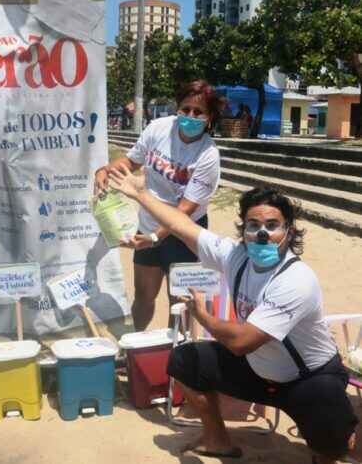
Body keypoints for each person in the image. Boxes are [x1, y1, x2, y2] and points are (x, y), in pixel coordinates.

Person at [108, 172, 358, 464]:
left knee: (331, 436)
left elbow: (240, 343)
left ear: (288, 232)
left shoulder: (296, 280)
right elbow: (181, 225)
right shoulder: (235, 256)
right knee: (184, 360)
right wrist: (140, 194)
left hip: (307, 378)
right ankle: (217, 440)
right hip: (257, 371)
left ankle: (330, 447)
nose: (262, 234)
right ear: (244, 231)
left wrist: (203, 316)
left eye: (272, 225)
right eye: (254, 225)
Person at [94, 80, 224, 330]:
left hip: (185, 233)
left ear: (209, 118)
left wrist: (156, 237)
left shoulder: (208, 155)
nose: (190, 116)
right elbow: (132, 162)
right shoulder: (159, 128)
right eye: (185, 109)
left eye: (198, 112)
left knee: (181, 302)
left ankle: (179, 357)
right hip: (148, 225)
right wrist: (106, 170)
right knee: (144, 295)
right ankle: (134, 346)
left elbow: (185, 210)